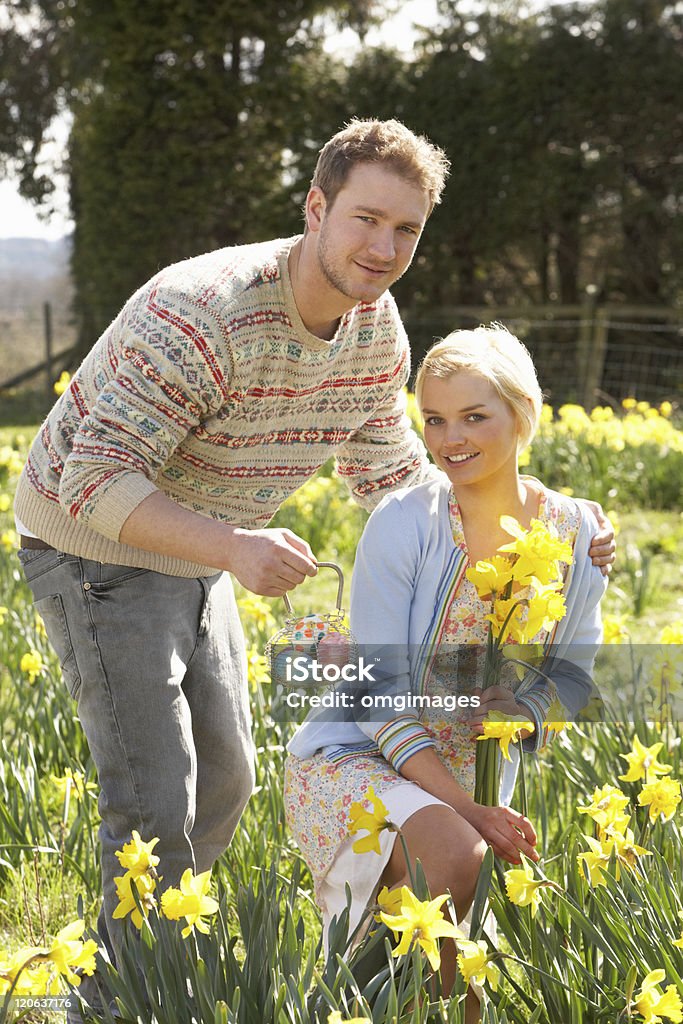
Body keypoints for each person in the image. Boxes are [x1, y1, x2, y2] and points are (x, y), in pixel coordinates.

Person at [12, 118, 613, 1009]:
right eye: (365, 219)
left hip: (202, 546)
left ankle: (143, 972)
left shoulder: (374, 331)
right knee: (156, 799)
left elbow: (393, 471)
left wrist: (545, 531)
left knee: (225, 782)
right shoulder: (202, 310)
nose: (383, 247)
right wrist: (234, 547)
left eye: (405, 229)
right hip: (93, 548)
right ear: (316, 206)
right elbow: (91, 481)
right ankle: (113, 1001)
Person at [284, 325, 608, 1013]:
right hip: (359, 759)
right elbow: (378, 696)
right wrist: (471, 812)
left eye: (473, 416)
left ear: (521, 415)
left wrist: (522, 711)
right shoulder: (405, 520)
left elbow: (574, 674)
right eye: (433, 419)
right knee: (457, 857)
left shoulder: (576, 533)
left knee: (453, 957)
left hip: (469, 780)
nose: (448, 439)